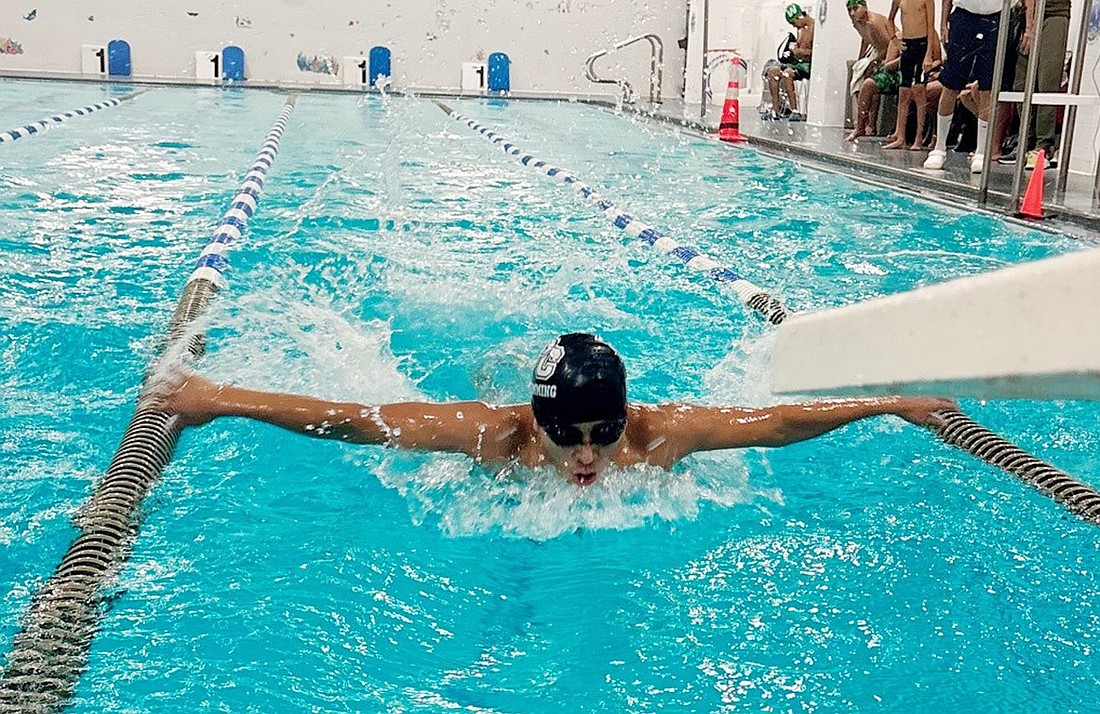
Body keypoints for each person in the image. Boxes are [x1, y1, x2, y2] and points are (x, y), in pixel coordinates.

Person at [164, 333, 955, 487]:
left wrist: (892, 403)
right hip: (503, 383)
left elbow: (775, 423)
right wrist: (219, 400)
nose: (586, 457)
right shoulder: (494, 433)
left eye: (602, 434)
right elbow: (353, 417)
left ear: (626, 416)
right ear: (536, 423)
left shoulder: (659, 435)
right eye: (567, 436)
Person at [922, 0, 1004, 173]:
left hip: (996, 18)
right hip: (963, 16)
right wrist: (944, 23)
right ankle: (939, 147)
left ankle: (981, 151)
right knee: (951, 84)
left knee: (987, 87)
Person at [884, 0, 940, 150]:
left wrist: (928, 54)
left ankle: (919, 138)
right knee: (903, 92)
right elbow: (889, 21)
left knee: (919, 91)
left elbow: (930, 26)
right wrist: (895, 42)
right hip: (907, 46)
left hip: (922, 45)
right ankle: (900, 136)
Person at [846, 0, 899, 141]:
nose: (852, 13)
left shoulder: (875, 23)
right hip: (878, 52)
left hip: (893, 55)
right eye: (849, 10)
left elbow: (891, 45)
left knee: (870, 81)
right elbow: (865, 40)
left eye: (855, 8)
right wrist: (860, 59)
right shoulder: (857, 23)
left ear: (865, 7)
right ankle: (863, 122)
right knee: (858, 75)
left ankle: (870, 124)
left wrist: (875, 63)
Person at [764, 4, 816, 121]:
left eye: (793, 23)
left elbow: (817, 53)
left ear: (799, 17)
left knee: (787, 73)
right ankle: (776, 110)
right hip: (796, 63)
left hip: (807, 66)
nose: (794, 26)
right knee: (772, 72)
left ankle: (795, 111)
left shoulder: (815, 28)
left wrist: (801, 52)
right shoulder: (800, 29)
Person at [848, 36, 903, 141]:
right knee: (868, 84)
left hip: (917, 75)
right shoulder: (897, 39)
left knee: (910, 88)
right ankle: (860, 127)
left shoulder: (929, 37)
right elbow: (888, 65)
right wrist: (902, 59)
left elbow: (936, 60)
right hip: (897, 73)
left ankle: (900, 133)